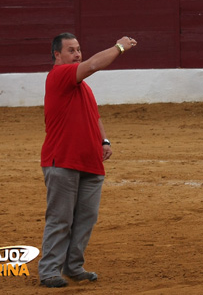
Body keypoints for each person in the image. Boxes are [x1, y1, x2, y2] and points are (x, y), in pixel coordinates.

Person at [38, 33, 138, 288]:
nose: (77, 54)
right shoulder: (59, 75)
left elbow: (95, 115)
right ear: (57, 56)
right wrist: (119, 47)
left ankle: (73, 266)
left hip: (90, 162)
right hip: (62, 160)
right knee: (61, 219)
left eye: (79, 49)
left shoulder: (82, 87)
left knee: (85, 219)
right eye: (71, 50)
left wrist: (104, 141)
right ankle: (49, 271)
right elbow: (93, 64)